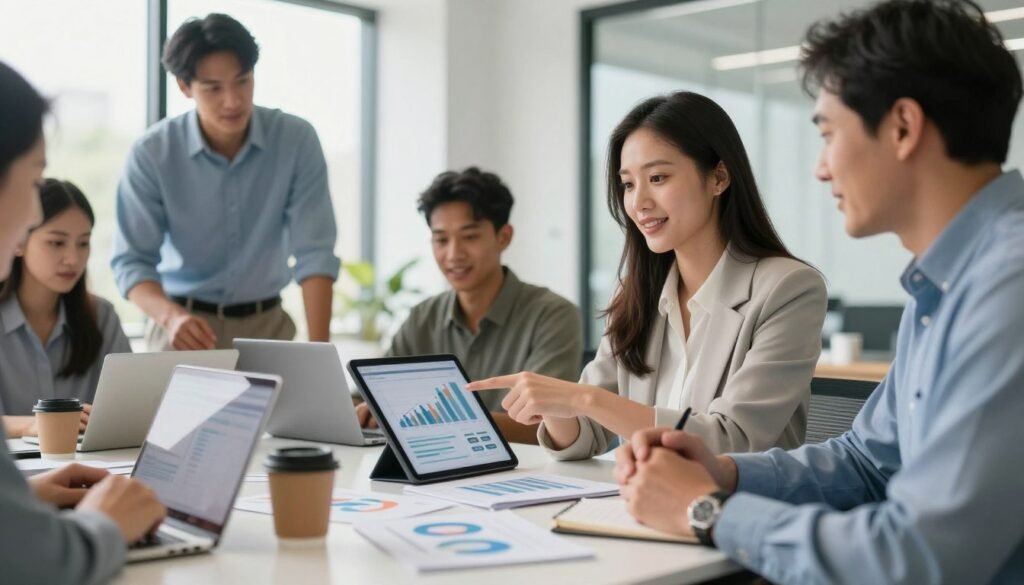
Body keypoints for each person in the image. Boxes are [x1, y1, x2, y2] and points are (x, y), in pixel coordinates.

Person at [615, 1, 1024, 583]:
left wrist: (707, 511)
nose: (821, 169)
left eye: (829, 134)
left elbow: (922, 557)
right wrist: (725, 472)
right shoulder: (944, 286)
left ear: (903, 127)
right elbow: (866, 463)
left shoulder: (1008, 287)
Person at [468, 92, 827, 458]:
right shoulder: (637, 291)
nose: (638, 202)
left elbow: (733, 439)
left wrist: (584, 398)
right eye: (628, 184)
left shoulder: (789, 289)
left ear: (718, 177)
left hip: (733, 509)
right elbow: (585, 434)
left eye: (657, 177)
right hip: (639, 505)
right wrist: (558, 410)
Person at [0, 59, 166, 585]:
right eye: (33, 179)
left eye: (83, 243)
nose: (30, 215)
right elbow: (44, 563)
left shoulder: (101, 317)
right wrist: (106, 525)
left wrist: (26, 496)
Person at [112, 13, 339, 352]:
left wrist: (320, 353)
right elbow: (131, 262)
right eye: (213, 88)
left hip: (268, 328)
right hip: (181, 329)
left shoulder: (296, 140)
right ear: (185, 87)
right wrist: (172, 318)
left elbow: (315, 253)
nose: (232, 100)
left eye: (242, 80)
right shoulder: (152, 153)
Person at [357, 167, 582, 444]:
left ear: (504, 237)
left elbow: (546, 425)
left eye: (470, 237)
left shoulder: (553, 315)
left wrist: (425, 420)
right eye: (441, 240)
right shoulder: (422, 317)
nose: (453, 254)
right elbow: (372, 394)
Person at [0, 179, 132, 438]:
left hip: (91, 468)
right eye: (57, 243)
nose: (73, 258)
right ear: (19, 242)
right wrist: (33, 425)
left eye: (83, 243)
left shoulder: (102, 316)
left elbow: (129, 409)